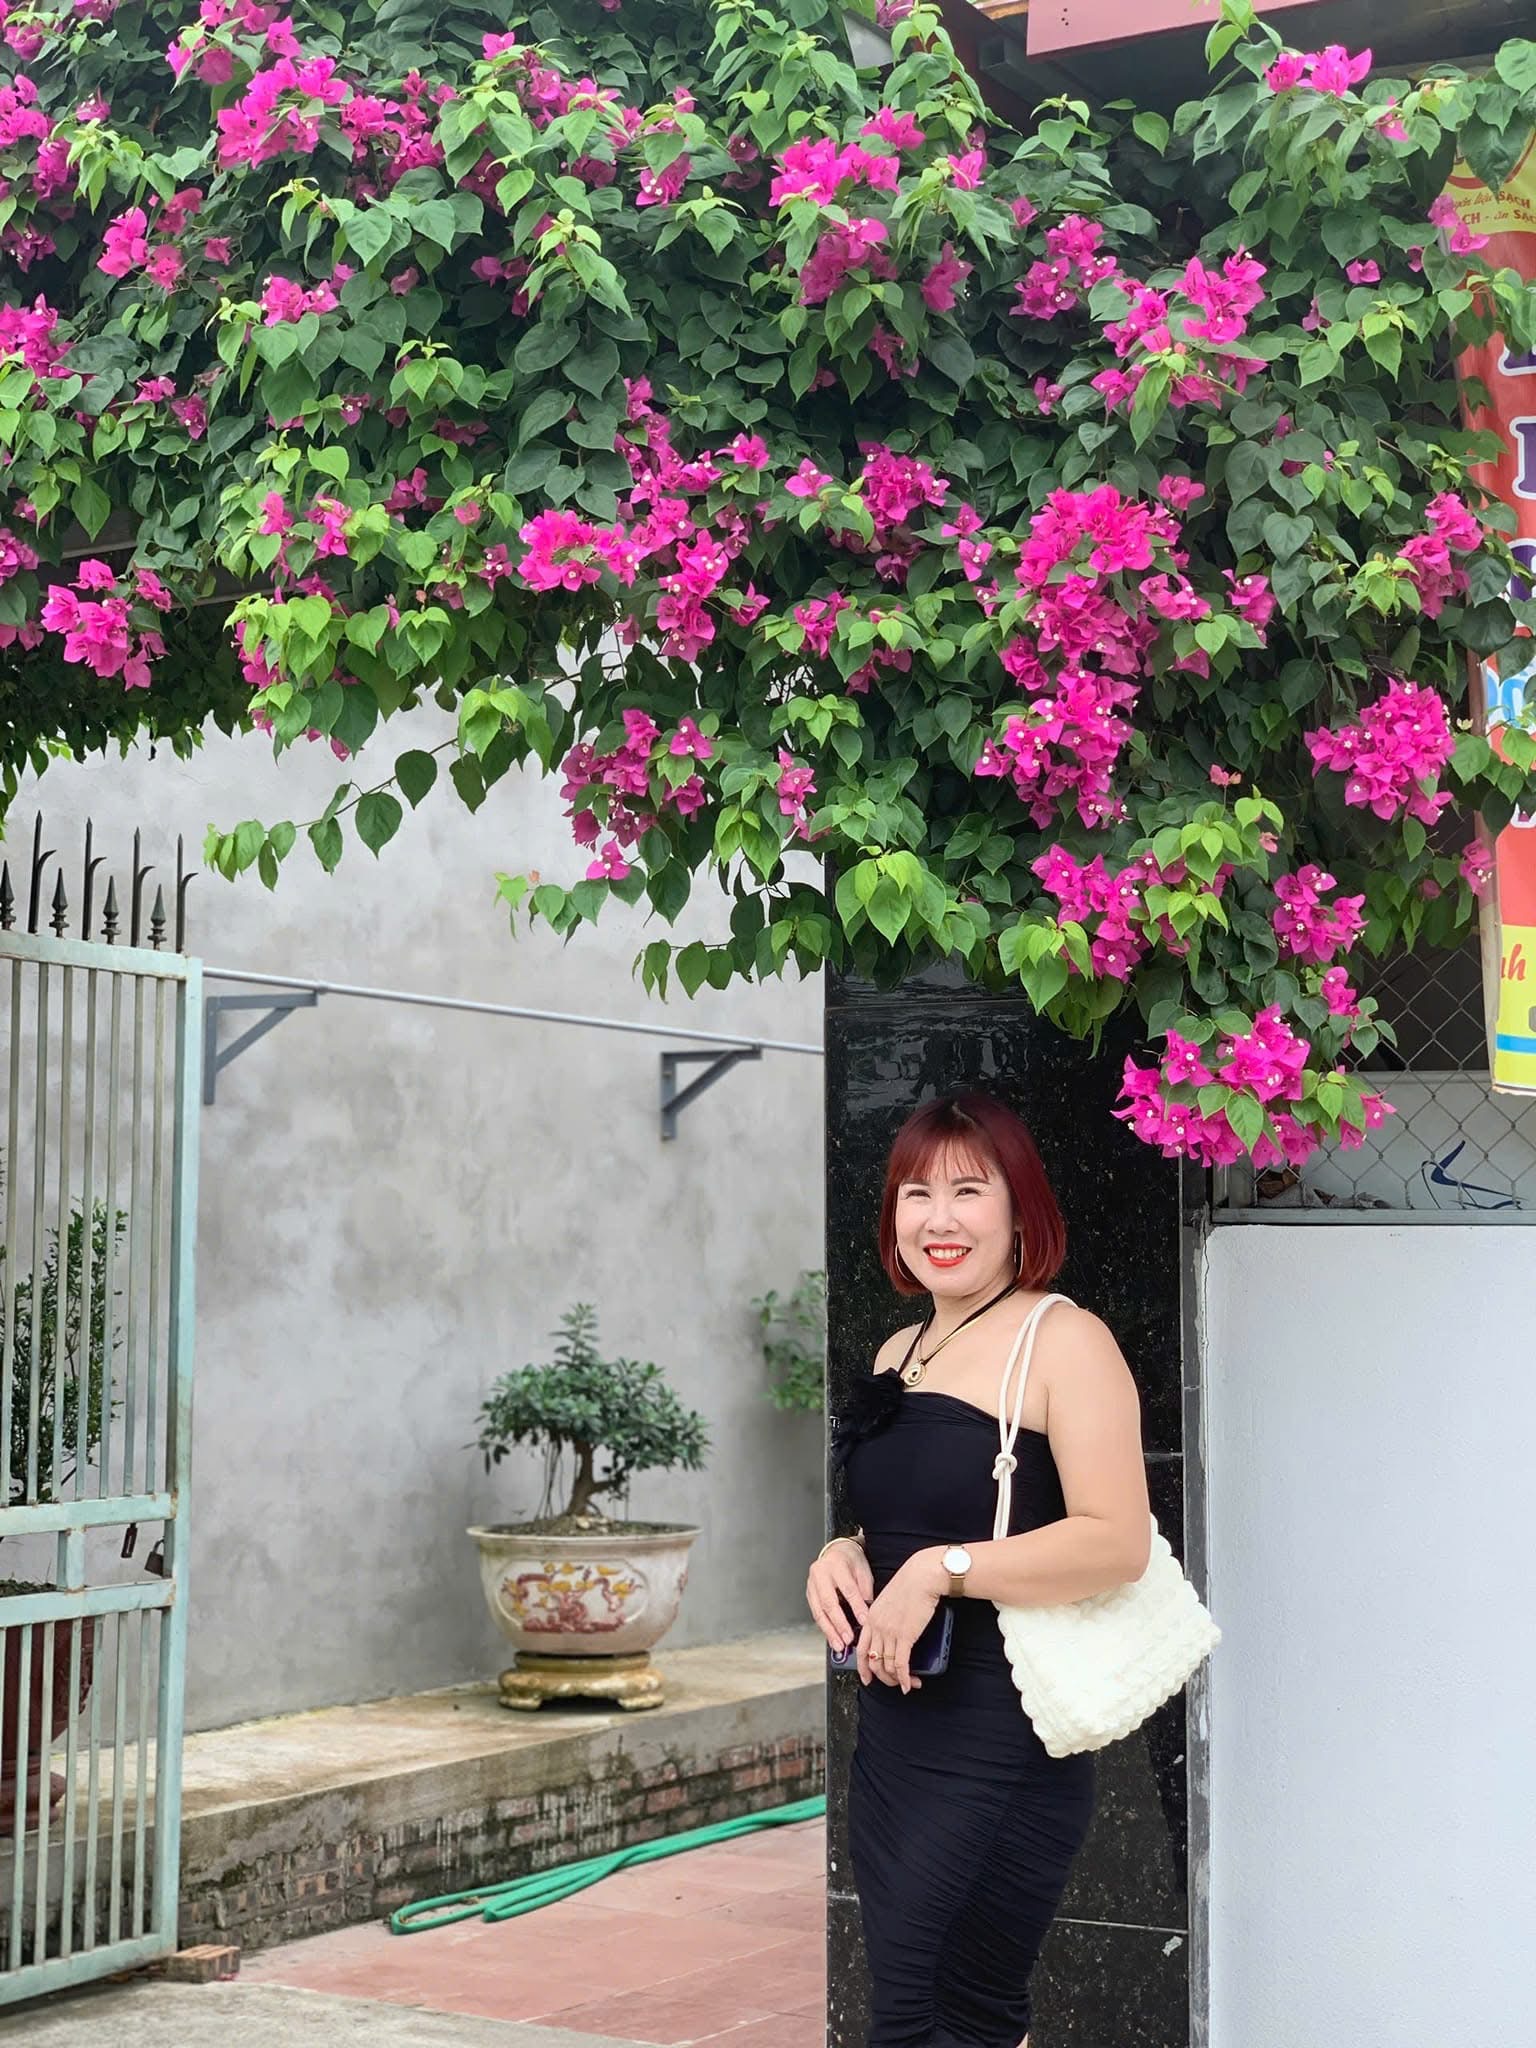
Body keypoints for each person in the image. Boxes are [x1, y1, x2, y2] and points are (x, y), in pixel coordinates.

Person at [807, 1089, 1151, 2048]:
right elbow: (908, 1515)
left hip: (1005, 1729)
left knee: (950, 2010)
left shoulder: (1065, 1340)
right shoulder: (903, 1346)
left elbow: (1117, 1542)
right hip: (897, 1729)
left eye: (968, 1190)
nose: (939, 1219)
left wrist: (936, 1572)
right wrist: (845, 1551)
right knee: (924, 2009)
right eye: (916, 1194)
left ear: (1020, 1207)